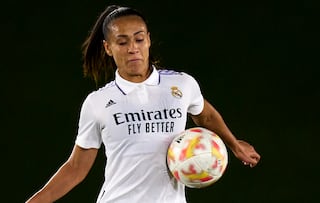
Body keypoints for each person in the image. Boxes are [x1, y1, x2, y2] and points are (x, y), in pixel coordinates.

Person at [25, 5, 261, 203]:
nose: (133, 48)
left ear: (148, 40)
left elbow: (204, 115)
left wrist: (233, 144)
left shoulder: (181, 85)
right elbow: (76, 168)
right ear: (108, 48)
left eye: (139, 39)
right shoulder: (97, 103)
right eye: (122, 42)